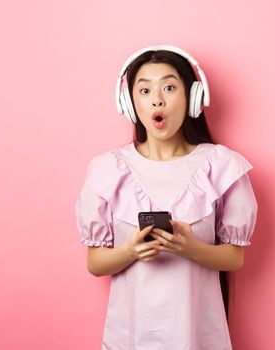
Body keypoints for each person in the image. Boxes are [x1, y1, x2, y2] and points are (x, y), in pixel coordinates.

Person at [75, 44, 258, 349]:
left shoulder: (221, 166)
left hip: (198, 337)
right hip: (130, 338)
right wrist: (130, 251)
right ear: (129, 102)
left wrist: (190, 248)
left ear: (193, 97)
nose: (157, 99)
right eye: (144, 91)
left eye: (169, 87)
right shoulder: (107, 170)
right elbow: (95, 263)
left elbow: (234, 258)